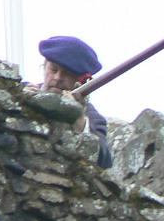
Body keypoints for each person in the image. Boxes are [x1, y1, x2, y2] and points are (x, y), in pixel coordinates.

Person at [35, 36, 112, 169]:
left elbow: (104, 162)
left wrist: (80, 123)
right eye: (53, 70)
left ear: (81, 82)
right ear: (44, 67)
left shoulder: (91, 117)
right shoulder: (17, 90)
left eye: (67, 74)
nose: (57, 78)